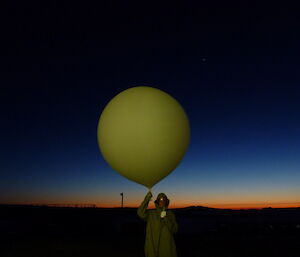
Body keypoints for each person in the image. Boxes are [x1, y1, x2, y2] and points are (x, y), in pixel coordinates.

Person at [137, 190, 178, 257]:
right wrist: (147, 199)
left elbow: (174, 230)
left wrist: (165, 218)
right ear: (157, 201)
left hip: (167, 250)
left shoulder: (170, 214)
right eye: (160, 199)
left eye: (164, 199)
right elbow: (140, 213)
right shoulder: (151, 213)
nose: (162, 201)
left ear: (167, 202)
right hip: (153, 248)